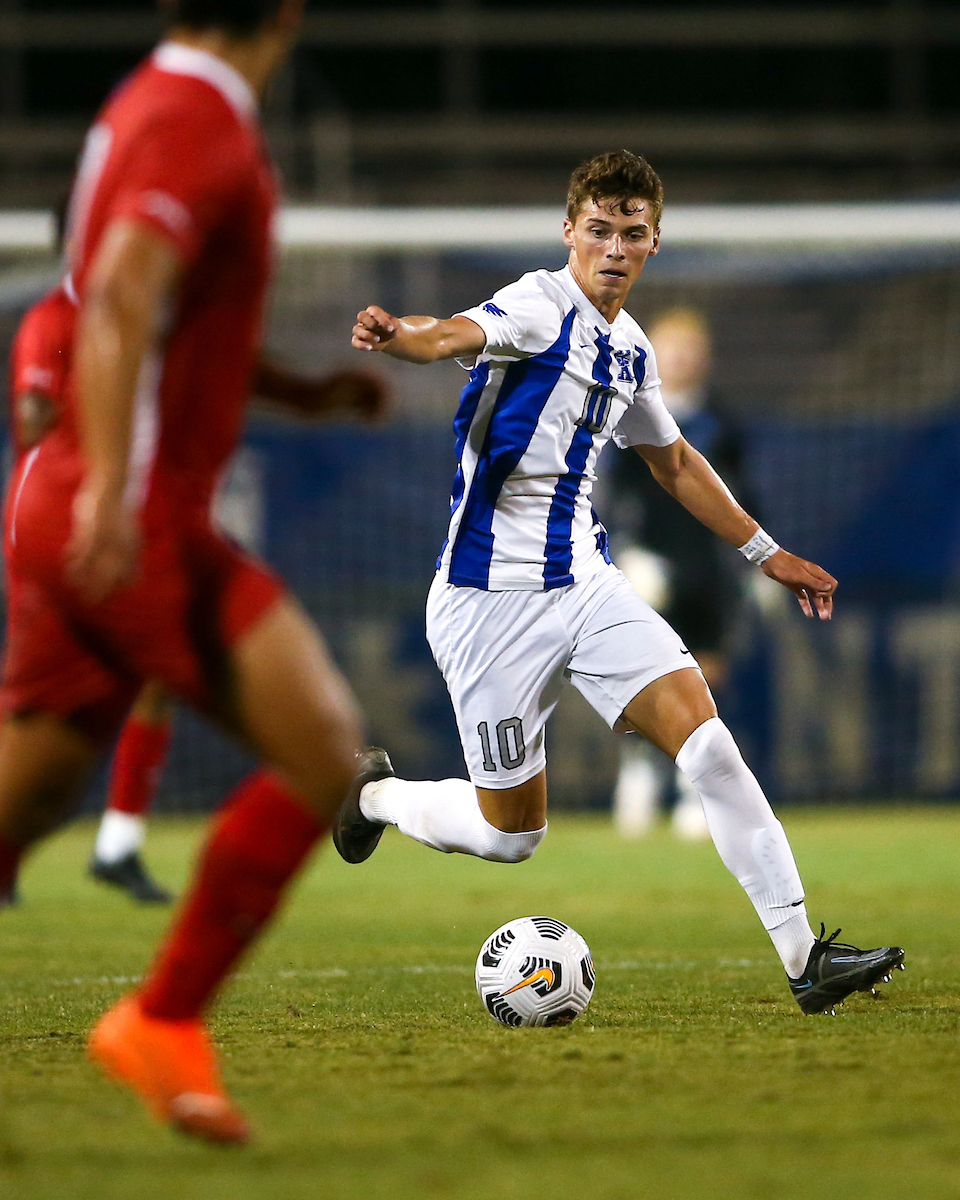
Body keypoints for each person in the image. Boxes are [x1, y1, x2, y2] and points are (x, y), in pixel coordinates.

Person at [342, 149, 905, 1018]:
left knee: (710, 746)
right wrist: (399, 338)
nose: (612, 247)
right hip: (487, 602)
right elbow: (450, 333)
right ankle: (374, 794)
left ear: (652, 244)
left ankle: (806, 961)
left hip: (587, 585)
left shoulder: (631, 351)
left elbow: (673, 460)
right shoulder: (537, 303)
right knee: (509, 836)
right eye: (597, 229)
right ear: (570, 232)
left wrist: (769, 553)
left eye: (630, 233)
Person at [0, 0, 377, 1144]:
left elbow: (165, 316)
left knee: (32, 790)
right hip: (136, 516)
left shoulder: (142, 102)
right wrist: (117, 492)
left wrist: (302, 393)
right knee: (325, 753)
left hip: (70, 500)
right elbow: (120, 293)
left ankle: (162, 1024)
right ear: (291, 13)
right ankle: (161, 1022)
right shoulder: (200, 120)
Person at [5, 282, 387, 905]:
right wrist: (96, 492)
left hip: (143, 533)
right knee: (325, 754)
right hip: (85, 536)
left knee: (57, 748)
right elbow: (34, 416)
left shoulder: (170, 304)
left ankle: (117, 846)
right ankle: (127, 887)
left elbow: (222, 359)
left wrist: (309, 395)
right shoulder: (65, 316)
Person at [607, 307, 748, 840]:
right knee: (647, 677)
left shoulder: (721, 422)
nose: (684, 358)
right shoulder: (632, 413)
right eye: (673, 347)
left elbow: (743, 495)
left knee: (707, 677)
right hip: (652, 567)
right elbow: (611, 495)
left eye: (692, 348)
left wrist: (757, 562)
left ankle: (699, 789)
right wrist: (627, 554)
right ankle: (639, 775)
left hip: (708, 568)